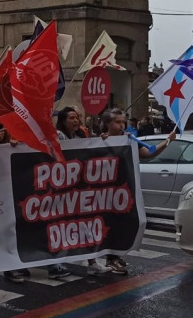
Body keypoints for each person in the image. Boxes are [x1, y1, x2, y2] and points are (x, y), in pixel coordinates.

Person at [100, 108, 176, 275]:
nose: (121, 125)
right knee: (109, 225)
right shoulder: (99, 141)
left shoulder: (128, 140)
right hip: (104, 193)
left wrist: (168, 141)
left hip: (124, 191)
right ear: (107, 124)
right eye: (117, 122)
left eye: (123, 122)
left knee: (122, 224)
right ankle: (109, 258)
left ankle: (116, 255)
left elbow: (148, 153)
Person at [55, 107, 109, 276]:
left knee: (86, 224)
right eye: (72, 117)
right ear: (63, 121)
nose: (76, 120)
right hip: (62, 190)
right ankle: (54, 264)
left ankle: (92, 261)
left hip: (78, 189)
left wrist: (102, 140)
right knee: (58, 228)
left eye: (77, 117)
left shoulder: (80, 136)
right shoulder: (59, 136)